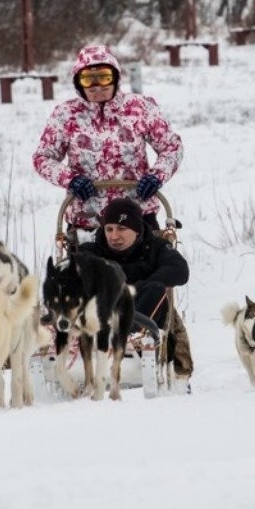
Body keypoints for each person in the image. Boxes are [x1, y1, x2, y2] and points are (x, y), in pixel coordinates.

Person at [33, 44, 183, 230]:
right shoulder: (66, 115)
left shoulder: (139, 108)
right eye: (88, 80)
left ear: (116, 78)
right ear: (79, 82)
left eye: (104, 77)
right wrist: (70, 179)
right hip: (87, 218)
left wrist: (156, 176)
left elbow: (171, 147)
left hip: (137, 215)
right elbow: (43, 158)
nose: (97, 87)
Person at [78, 197, 194, 389]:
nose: (114, 236)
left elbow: (180, 270)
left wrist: (139, 287)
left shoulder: (156, 247)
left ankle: (129, 340)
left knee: (156, 289)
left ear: (137, 228)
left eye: (122, 229)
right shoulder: (92, 249)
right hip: (101, 315)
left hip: (143, 315)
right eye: (109, 229)